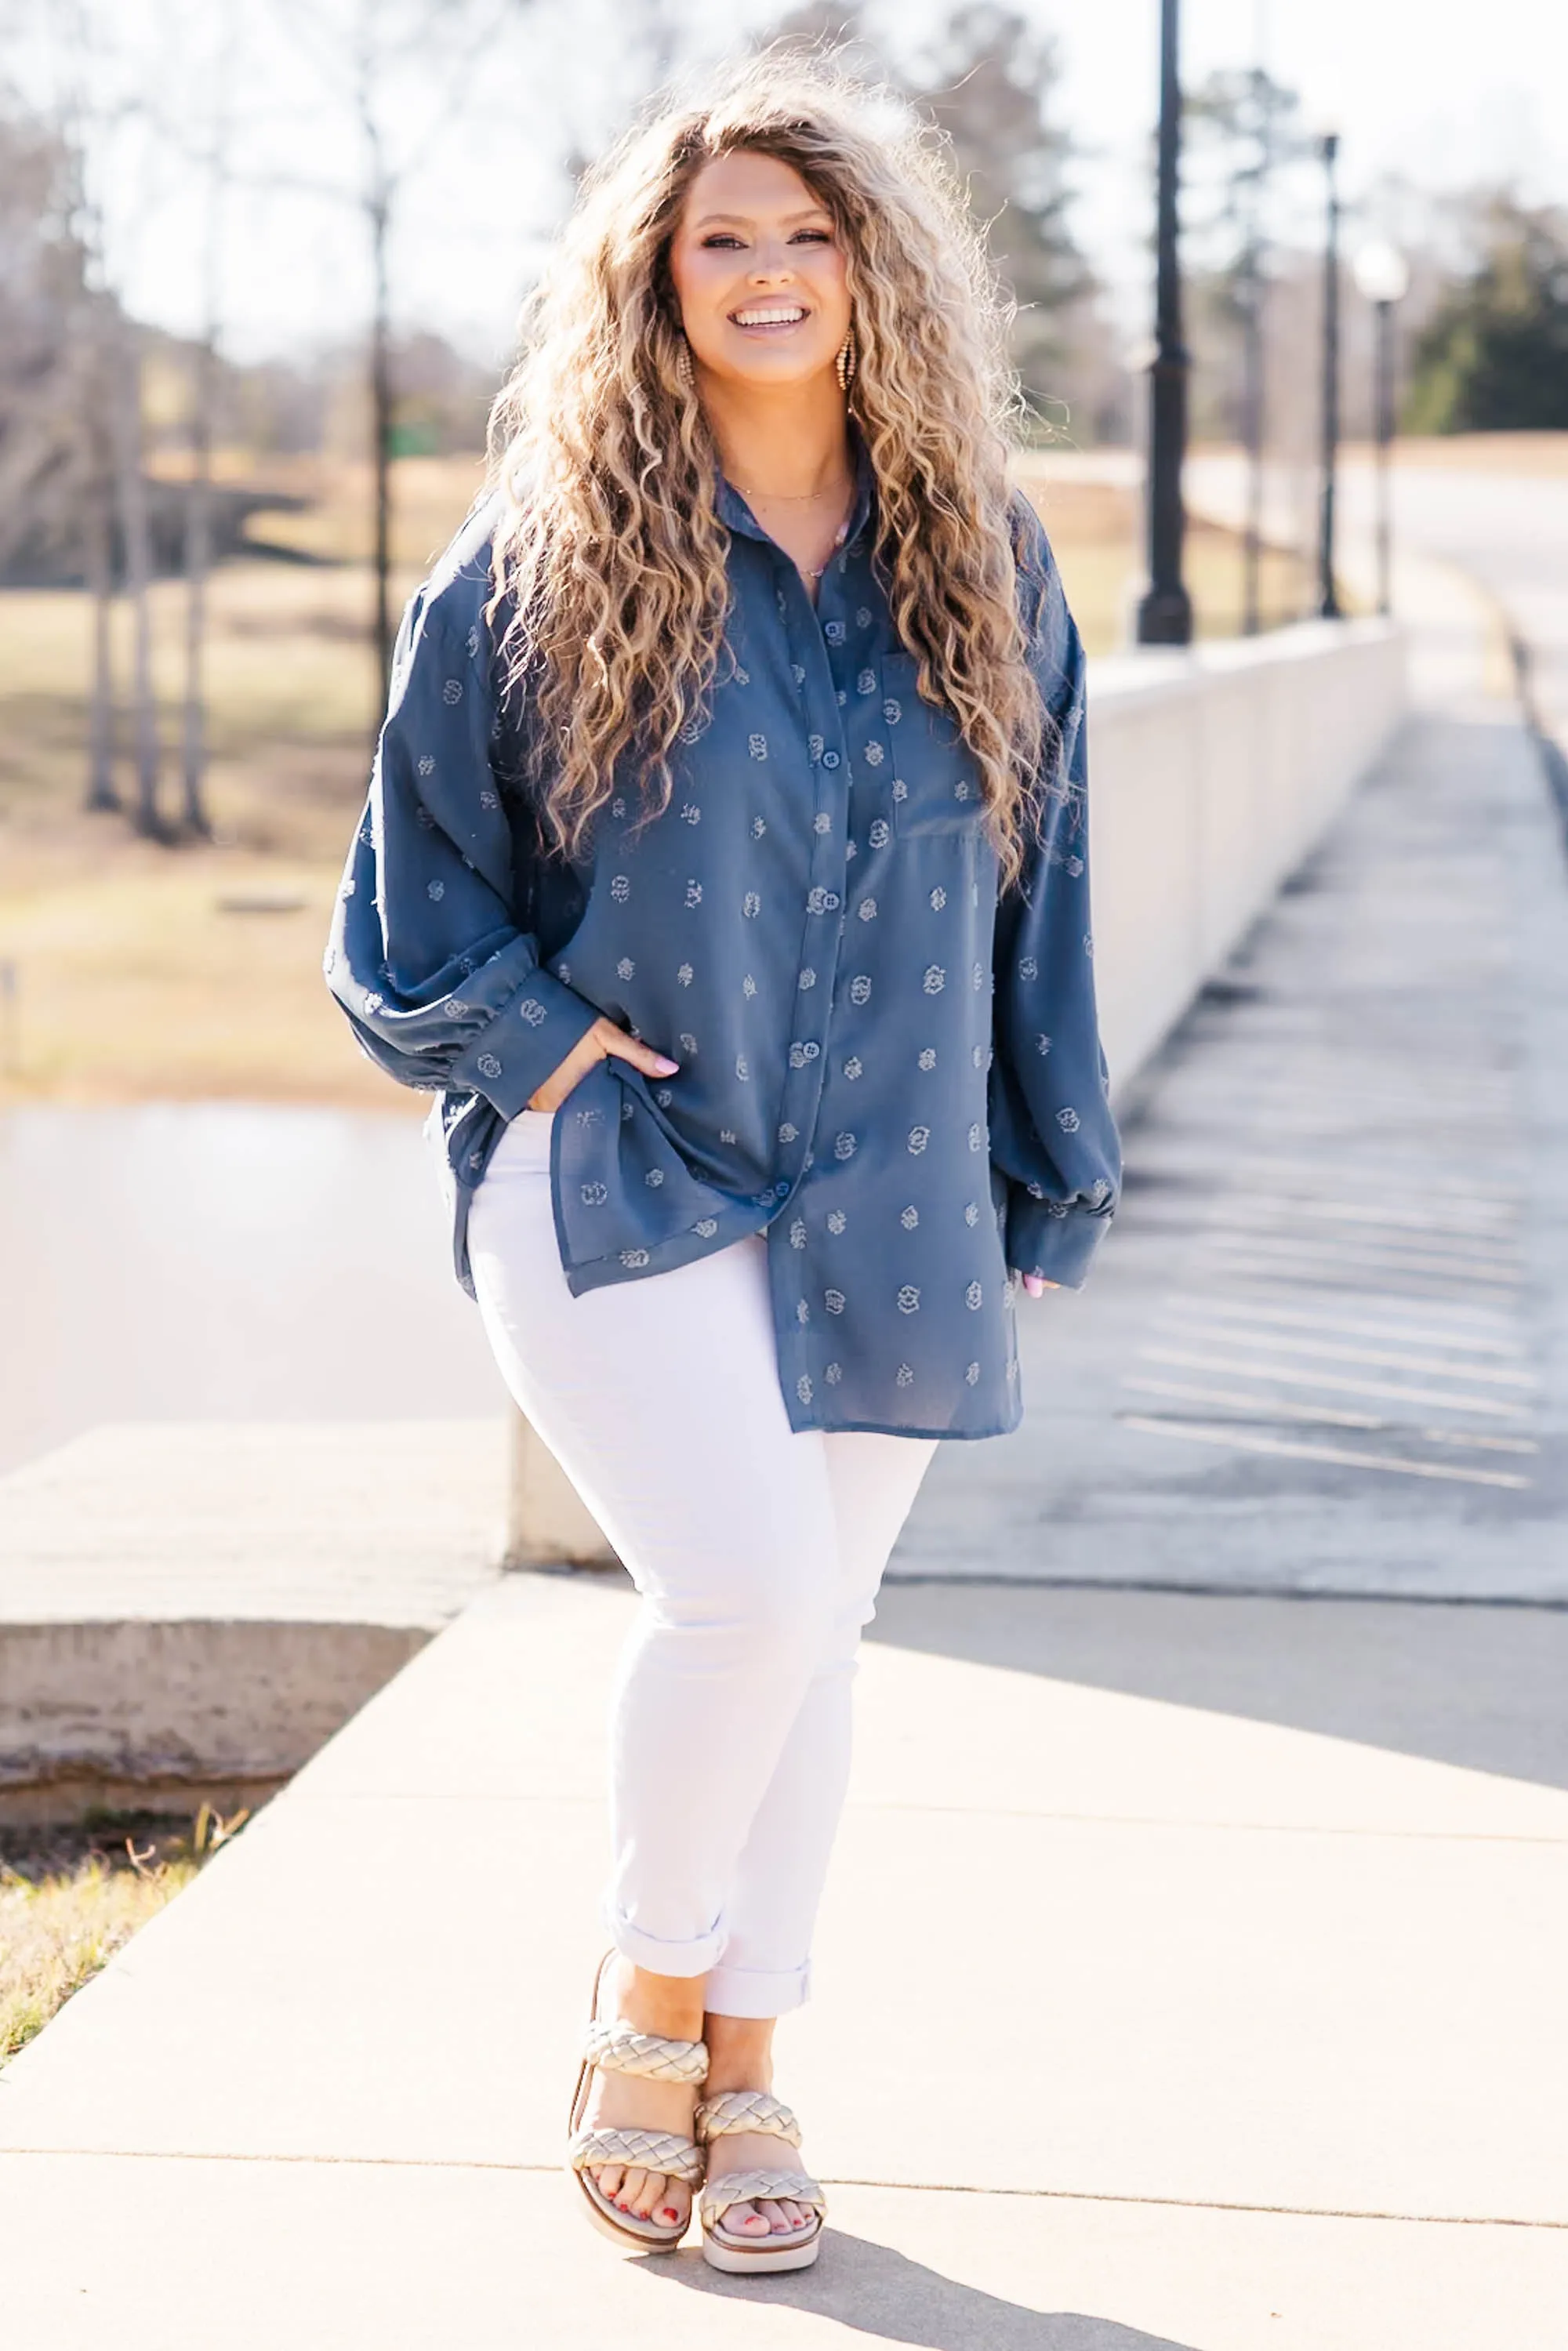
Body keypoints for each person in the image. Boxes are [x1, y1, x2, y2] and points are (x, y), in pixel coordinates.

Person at [325, 49, 1120, 2277]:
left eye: (807, 235)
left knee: (819, 1632)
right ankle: (647, 2003)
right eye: (720, 241)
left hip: (897, 1186)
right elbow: (407, 894)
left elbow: (1047, 887)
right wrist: (542, 1040)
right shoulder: (548, 554)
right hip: (622, 1167)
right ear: (654, 285)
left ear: (878, 275)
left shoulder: (979, 558)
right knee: (747, 1595)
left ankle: (752, 2071)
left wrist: (1049, 1171)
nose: (769, 273)